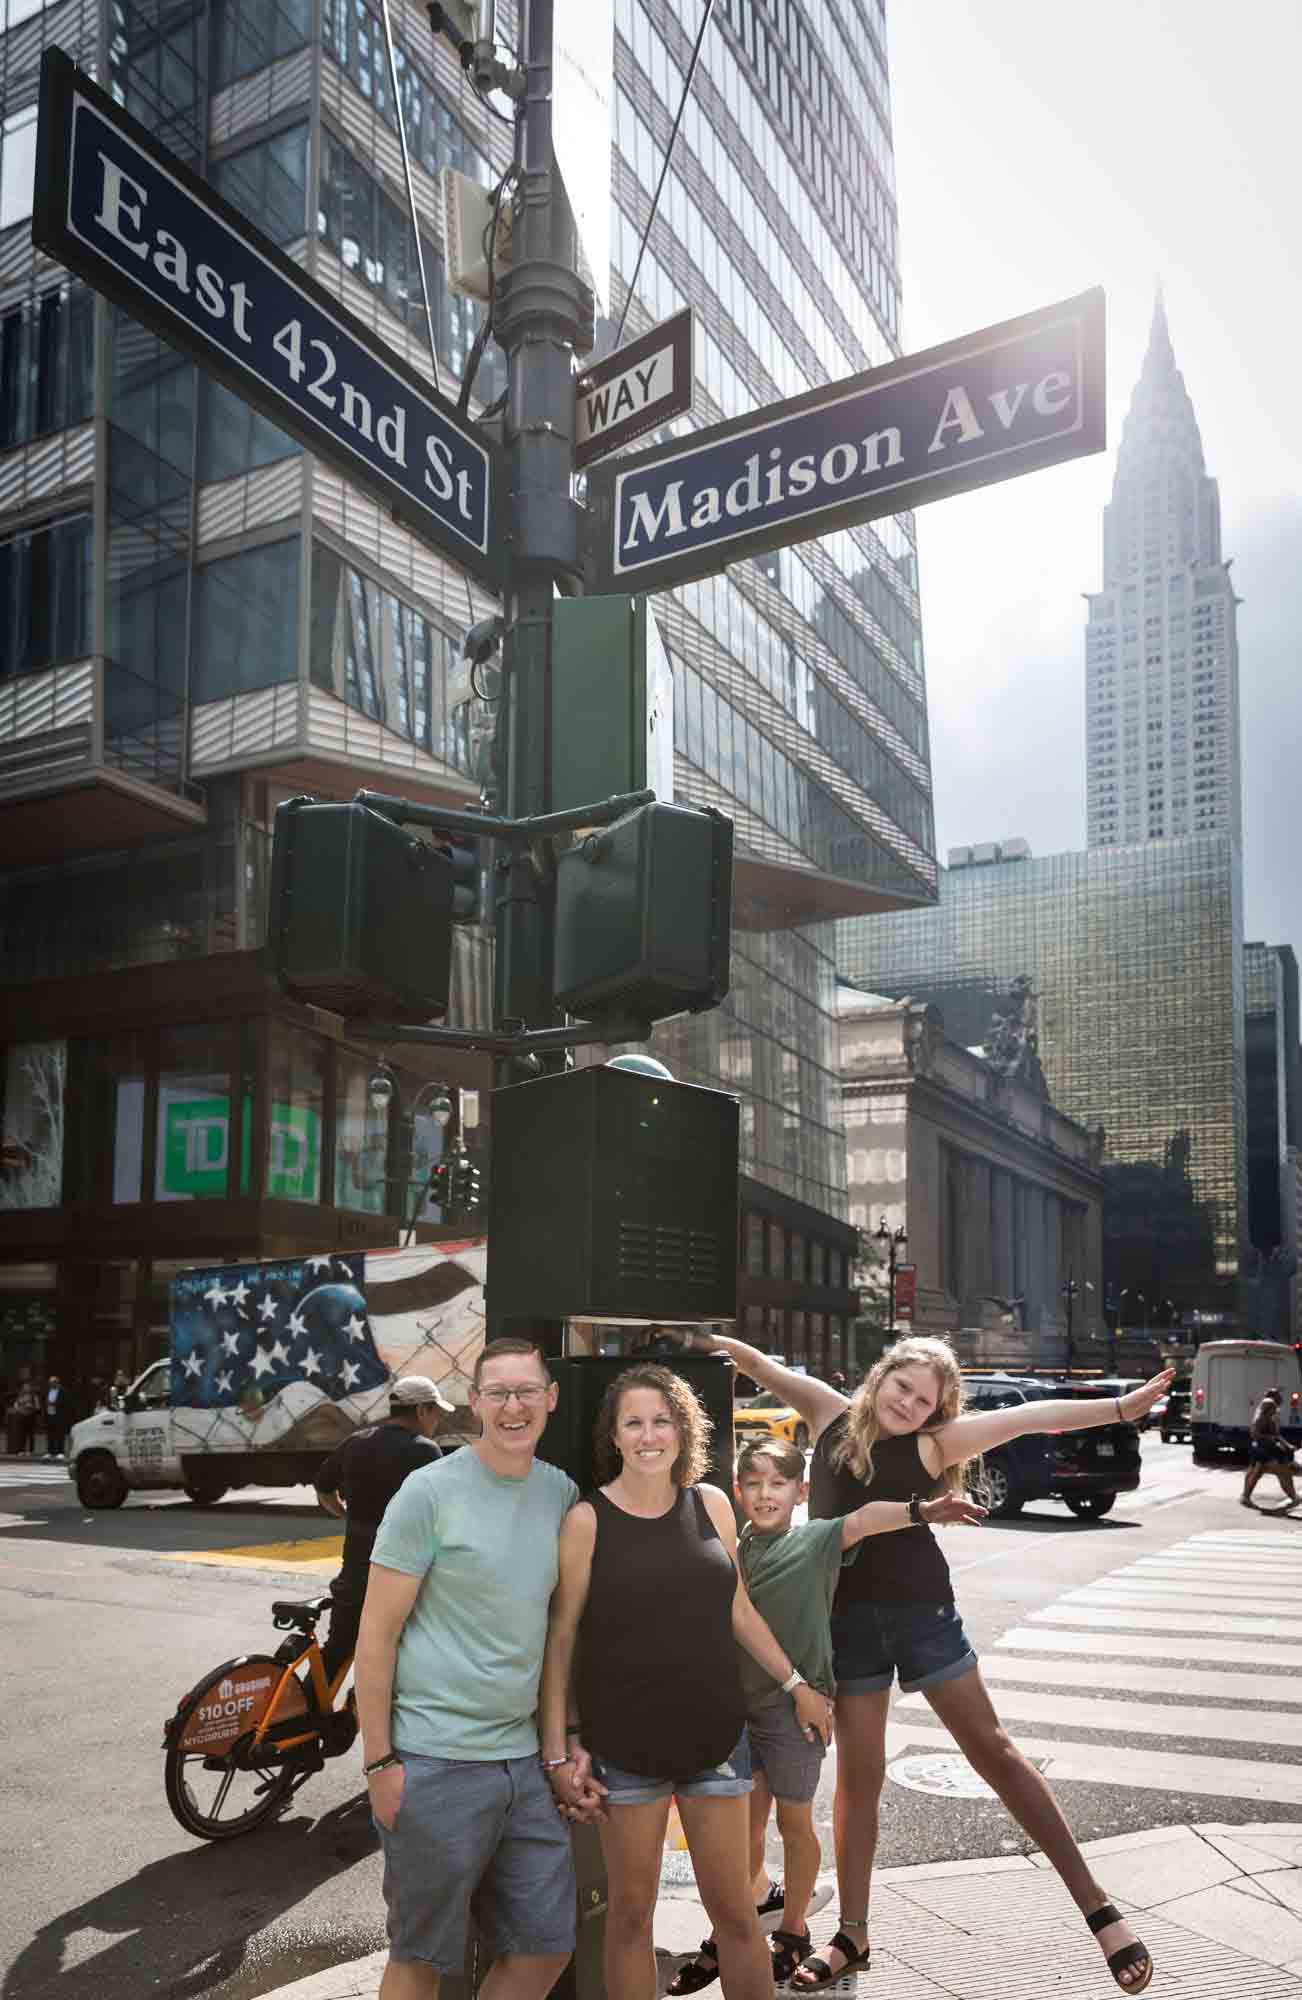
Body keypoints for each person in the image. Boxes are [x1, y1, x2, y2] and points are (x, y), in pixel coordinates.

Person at [697, 1330, 1171, 1995]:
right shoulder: (828, 1412)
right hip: (848, 1627)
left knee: (995, 1752)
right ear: (880, 1376)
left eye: (925, 1401)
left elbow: (1036, 1416)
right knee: (858, 1780)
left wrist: (1123, 1409)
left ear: (935, 1413)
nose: (909, 1404)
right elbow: (756, 1362)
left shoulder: (936, 1445)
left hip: (924, 1617)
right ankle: (853, 1934)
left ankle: (1100, 1910)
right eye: (902, 1387)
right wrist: (705, 1337)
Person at [539, 1362, 834, 2000]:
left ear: (684, 1428)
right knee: (630, 1916)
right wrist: (558, 1749)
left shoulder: (712, 1504)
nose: (650, 1435)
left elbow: (738, 1610)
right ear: (614, 1436)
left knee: (735, 1914)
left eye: (662, 1421)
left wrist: (797, 1685)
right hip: (626, 1750)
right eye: (634, 1423)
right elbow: (561, 1638)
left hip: (716, 1741)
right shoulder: (587, 1520)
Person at [667, 1436, 984, 1990]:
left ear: (801, 1491)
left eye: (778, 1484)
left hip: (794, 1713)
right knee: (743, 1831)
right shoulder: (734, 1546)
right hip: (739, 1712)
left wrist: (920, 1511)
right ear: (739, 1492)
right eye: (755, 1484)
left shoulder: (814, 1541)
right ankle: (733, 1927)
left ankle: (792, 1931)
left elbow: (862, 1520)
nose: (766, 1494)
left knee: (794, 1824)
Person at [355, 1338, 602, 2000]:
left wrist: (562, 1741)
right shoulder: (428, 1493)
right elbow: (375, 1635)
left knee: (546, 1947)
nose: (513, 1407)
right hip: (434, 1761)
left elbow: (560, 1633)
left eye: (527, 1392)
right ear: (475, 1403)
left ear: (550, 1399)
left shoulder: (560, 1495)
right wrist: (379, 1764)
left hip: (523, 1764)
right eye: (498, 1393)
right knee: (420, 1957)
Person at [314, 1375, 452, 1682]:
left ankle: (302, 1713)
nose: (438, 1419)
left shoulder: (356, 1442)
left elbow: (323, 1489)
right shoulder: (424, 1451)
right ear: (421, 1412)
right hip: (401, 1576)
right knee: (401, 1655)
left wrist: (346, 1515)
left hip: (356, 1572)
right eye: (436, 1412)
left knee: (337, 1650)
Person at [1241, 1388, 1298, 1508]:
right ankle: (1294, 1497)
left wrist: (1287, 1445)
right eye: (1279, 1396)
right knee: (1281, 1471)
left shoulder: (1268, 1412)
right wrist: (1269, 1439)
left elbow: (1275, 1434)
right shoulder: (1266, 1409)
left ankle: (1245, 1496)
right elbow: (1256, 1432)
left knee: (1256, 1472)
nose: (1281, 1400)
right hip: (1262, 1448)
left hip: (1262, 1447)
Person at [44, 1374, 69, 1459]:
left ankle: (60, 1451)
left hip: (59, 1414)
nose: (51, 1384)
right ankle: (50, 1451)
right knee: (50, 1433)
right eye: (50, 1382)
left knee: (59, 1433)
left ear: (57, 1382)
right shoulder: (48, 1390)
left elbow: (66, 1403)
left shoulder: (63, 1391)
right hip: (49, 1413)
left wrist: (55, 1404)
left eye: (53, 1382)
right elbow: (44, 1400)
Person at [10, 1380, 38, 1455]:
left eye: (28, 1387)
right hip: (21, 1416)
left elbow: (37, 1407)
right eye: (25, 1387)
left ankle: (30, 1450)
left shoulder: (33, 1396)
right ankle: (21, 1450)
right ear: (23, 1388)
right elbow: (15, 1404)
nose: (26, 1388)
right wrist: (17, 1409)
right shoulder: (20, 1395)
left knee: (30, 1434)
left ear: (30, 1388)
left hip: (30, 1416)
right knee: (21, 1434)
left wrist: (31, 1406)